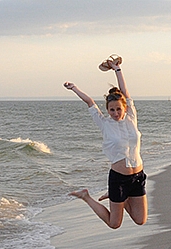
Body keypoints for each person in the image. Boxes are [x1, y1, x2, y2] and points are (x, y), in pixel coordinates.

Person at [63, 55, 147, 229]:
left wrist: (117, 69)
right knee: (114, 223)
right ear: (107, 110)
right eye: (111, 110)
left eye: (118, 109)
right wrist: (74, 88)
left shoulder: (132, 117)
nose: (115, 113)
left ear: (124, 107)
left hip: (138, 177)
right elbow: (90, 102)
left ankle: (118, 198)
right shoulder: (104, 123)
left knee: (141, 220)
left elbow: (125, 91)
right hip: (119, 179)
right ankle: (86, 196)